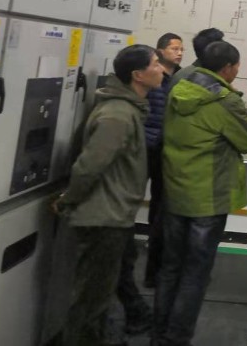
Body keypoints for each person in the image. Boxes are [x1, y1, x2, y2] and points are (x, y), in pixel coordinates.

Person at [53, 45, 164, 346]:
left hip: (113, 215)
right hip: (103, 218)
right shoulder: (118, 115)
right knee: (91, 301)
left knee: (99, 298)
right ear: (138, 75)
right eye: (155, 64)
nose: (161, 70)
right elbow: (90, 165)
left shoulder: (128, 109)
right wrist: (68, 199)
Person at [153, 41, 247, 346]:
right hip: (208, 198)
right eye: (236, 66)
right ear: (227, 68)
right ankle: (177, 338)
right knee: (195, 273)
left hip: (175, 190)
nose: (237, 70)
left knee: (170, 267)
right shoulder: (225, 101)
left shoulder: (178, 86)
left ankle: (159, 335)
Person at [142, 32, 183, 287]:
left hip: (166, 147)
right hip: (147, 144)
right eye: (174, 48)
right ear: (160, 50)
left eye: (181, 49)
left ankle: (153, 239)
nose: (179, 53)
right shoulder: (151, 75)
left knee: (160, 199)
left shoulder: (181, 78)